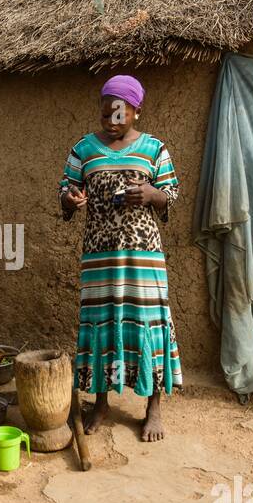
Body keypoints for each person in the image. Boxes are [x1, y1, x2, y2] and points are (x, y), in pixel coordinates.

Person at [58, 74, 181, 441]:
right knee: (102, 324)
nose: (112, 121)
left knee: (147, 324)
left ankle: (153, 408)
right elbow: (67, 191)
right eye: (106, 113)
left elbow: (170, 195)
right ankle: (100, 403)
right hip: (99, 256)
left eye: (120, 113)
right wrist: (70, 199)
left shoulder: (154, 149)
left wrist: (150, 194)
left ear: (136, 112)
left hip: (143, 256)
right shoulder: (84, 150)